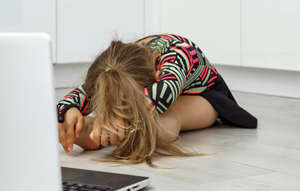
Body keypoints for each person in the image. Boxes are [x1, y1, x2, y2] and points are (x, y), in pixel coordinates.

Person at [57, 33, 257, 167]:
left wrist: (120, 121)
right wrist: (69, 111)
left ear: (156, 75)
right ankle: (107, 129)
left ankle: (120, 130)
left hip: (202, 95)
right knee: (123, 110)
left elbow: (166, 91)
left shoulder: (178, 56)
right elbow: (81, 92)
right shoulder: (116, 66)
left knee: (167, 119)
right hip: (151, 88)